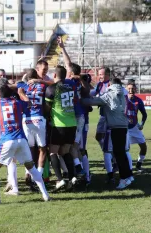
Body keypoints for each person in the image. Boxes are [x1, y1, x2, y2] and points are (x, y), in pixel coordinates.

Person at [0, 79, 50, 204]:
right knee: (32, 168)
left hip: (7, 140)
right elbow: (29, 105)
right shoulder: (17, 103)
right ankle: (45, 195)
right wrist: (22, 93)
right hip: (21, 139)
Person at [82, 78, 134, 189]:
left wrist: (78, 98)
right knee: (122, 153)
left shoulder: (108, 95)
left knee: (118, 154)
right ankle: (129, 176)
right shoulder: (124, 93)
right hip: (124, 126)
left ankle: (124, 179)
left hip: (115, 127)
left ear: (110, 84)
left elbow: (91, 101)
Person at [57, 36, 90, 178]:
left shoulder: (71, 81)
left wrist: (81, 78)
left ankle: (79, 171)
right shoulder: (73, 81)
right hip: (76, 117)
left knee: (72, 147)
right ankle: (79, 172)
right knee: (74, 147)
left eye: (68, 69)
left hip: (74, 117)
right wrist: (63, 48)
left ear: (71, 72)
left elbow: (88, 89)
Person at [45, 65, 78, 190]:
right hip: (72, 124)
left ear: (54, 75)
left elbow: (47, 108)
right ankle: (73, 177)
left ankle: (59, 180)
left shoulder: (52, 89)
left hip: (59, 125)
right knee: (65, 152)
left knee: (53, 151)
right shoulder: (70, 88)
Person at [17, 69, 47, 188]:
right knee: (43, 149)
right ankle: (38, 176)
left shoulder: (22, 86)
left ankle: (27, 173)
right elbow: (53, 84)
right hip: (39, 118)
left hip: (27, 119)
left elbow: (13, 84)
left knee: (29, 149)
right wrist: (39, 80)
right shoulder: (42, 86)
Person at [126, 82, 148, 172]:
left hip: (135, 127)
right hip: (124, 128)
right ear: (126, 89)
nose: (131, 90)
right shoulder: (122, 99)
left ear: (135, 89)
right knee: (126, 149)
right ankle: (125, 168)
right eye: (129, 88)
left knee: (143, 146)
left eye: (133, 88)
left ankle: (138, 165)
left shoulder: (138, 100)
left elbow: (144, 114)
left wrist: (142, 124)